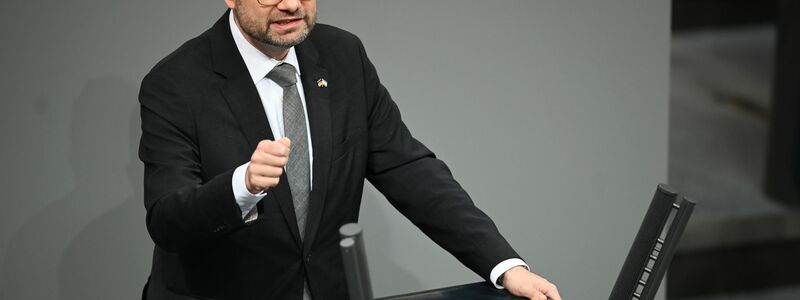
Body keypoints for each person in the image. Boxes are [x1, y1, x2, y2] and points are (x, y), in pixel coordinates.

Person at [138, 0, 562, 299]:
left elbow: (409, 169)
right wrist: (241, 186)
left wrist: (505, 266)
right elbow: (167, 219)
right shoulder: (175, 83)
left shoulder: (343, 56)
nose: (291, 5)